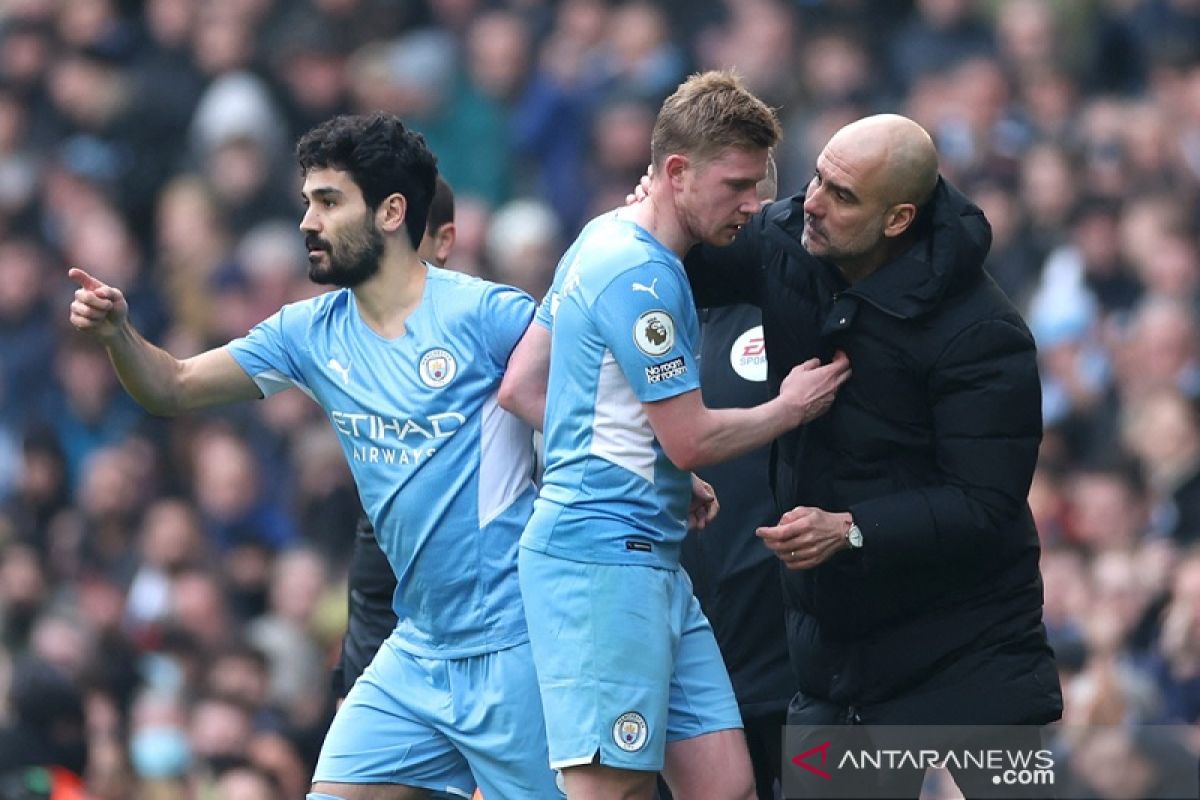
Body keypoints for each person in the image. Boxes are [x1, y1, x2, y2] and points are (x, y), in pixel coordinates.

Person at [68, 112, 558, 800]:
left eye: (328, 201)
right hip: (416, 648)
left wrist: (661, 478)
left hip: (514, 645)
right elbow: (171, 387)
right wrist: (119, 333)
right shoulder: (307, 332)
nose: (307, 220)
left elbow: (597, 403)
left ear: (391, 212)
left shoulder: (490, 314)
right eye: (307, 201)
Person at [682, 114, 1062, 797]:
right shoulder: (787, 239)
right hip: (837, 664)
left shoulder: (985, 334)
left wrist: (850, 528)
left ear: (898, 219)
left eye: (844, 194)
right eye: (818, 177)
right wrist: (659, 211)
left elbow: (986, 503)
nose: (815, 203)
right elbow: (676, 264)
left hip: (973, 657)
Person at [499, 71, 851, 800]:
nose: (753, 205)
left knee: (726, 789)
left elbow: (525, 386)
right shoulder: (642, 277)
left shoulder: (601, 234)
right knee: (611, 789)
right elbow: (690, 437)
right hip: (599, 564)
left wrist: (650, 469)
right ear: (677, 172)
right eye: (737, 185)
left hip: (651, 559)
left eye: (758, 185)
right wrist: (790, 406)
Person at [676, 155, 792, 800]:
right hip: (688, 645)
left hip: (795, 646)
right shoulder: (653, 322)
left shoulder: (796, 312)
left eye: (749, 195)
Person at [329, 174, 456, 702]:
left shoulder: (496, 329)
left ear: (442, 242)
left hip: (477, 621)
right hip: (378, 599)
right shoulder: (336, 328)